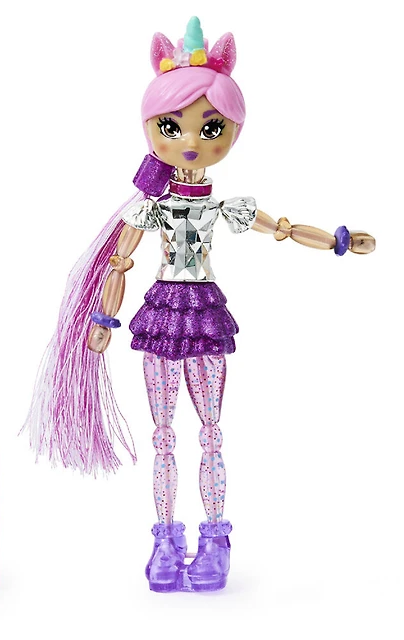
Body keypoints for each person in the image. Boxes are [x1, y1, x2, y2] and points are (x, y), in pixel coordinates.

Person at [23, 16, 375, 593]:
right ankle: (165, 539)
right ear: (152, 129)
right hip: (163, 313)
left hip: (204, 314)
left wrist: (338, 241)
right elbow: (120, 262)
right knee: (164, 434)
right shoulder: (151, 207)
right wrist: (104, 318)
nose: (191, 141)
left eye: (211, 127)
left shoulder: (222, 207)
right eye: (172, 126)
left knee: (210, 430)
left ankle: (214, 539)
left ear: (232, 131)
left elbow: (281, 229)